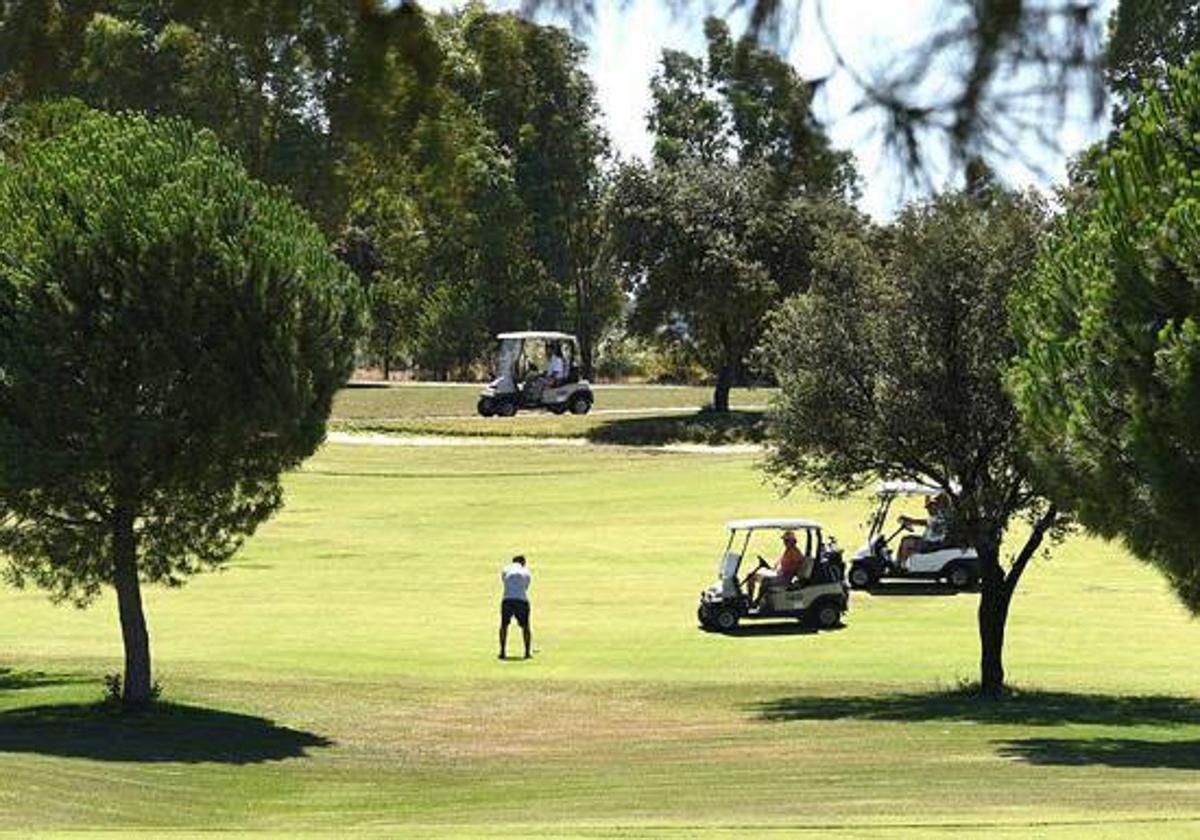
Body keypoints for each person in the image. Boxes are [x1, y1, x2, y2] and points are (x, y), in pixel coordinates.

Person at [747, 530, 812, 608]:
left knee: (765, 581)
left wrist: (780, 571)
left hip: (785, 578)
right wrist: (775, 568)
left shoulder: (795, 553)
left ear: (793, 541)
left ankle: (756, 602)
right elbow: (780, 564)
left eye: (787, 540)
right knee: (751, 575)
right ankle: (749, 600)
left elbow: (793, 569)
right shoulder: (788, 550)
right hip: (779, 574)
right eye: (784, 540)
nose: (785, 542)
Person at [896, 493, 948, 565]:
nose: (929, 510)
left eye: (934, 506)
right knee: (906, 539)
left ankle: (901, 565)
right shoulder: (940, 515)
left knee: (906, 541)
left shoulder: (940, 517)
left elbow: (922, 522)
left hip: (931, 544)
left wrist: (908, 520)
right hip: (930, 542)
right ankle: (903, 563)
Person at [499, 555, 532, 660]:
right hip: (521, 600)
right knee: (526, 627)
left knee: (504, 626)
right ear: (523, 562)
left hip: (507, 599)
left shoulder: (506, 569)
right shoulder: (525, 571)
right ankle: (527, 652)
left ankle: (502, 651)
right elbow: (525, 587)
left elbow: (505, 582)